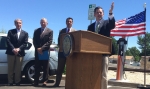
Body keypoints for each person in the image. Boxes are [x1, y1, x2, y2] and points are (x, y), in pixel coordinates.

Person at [87, 2, 115, 89]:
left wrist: (110, 13)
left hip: (104, 53)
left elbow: (112, 25)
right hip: (93, 54)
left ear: (103, 14)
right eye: (97, 12)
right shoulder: (90, 26)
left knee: (103, 75)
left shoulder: (107, 23)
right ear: (94, 14)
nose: (99, 14)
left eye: (100, 12)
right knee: (93, 73)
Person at [53, 17, 75, 87]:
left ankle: (69, 84)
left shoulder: (75, 31)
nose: (69, 22)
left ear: (72, 23)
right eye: (68, 21)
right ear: (66, 23)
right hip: (62, 52)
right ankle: (57, 83)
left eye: (70, 21)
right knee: (60, 69)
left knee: (70, 69)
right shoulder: (62, 31)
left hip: (71, 54)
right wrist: (60, 47)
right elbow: (59, 40)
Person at [6, 19, 28, 86]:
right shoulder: (10, 32)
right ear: (15, 24)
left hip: (20, 53)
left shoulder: (25, 33)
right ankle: (10, 81)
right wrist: (13, 49)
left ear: (22, 24)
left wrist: (18, 49)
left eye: (20, 23)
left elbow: (25, 43)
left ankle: (17, 81)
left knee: (18, 68)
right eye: (17, 23)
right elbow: (8, 41)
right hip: (11, 52)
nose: (18, 24)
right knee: (10, 68)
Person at [33, 18, 53, 86]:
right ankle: (36, 81)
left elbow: (49, 41)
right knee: (37, 66)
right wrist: (38, 48)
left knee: (45, 67)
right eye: (41, 22)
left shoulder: (50, 31)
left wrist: (42, 48)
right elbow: (34, 40)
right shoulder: (36, 31)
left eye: (44, 22)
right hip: (37, 51)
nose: (43, 23)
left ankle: (45, 81)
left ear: (47, 23)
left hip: (45, 51)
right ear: (40, 23)